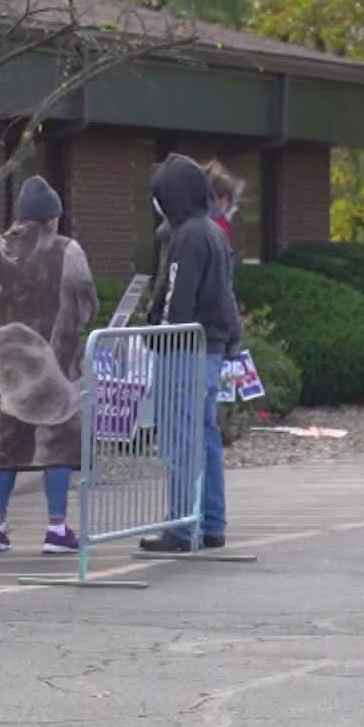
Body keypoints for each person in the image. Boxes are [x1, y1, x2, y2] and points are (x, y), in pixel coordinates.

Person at [0, 176, 97, 555]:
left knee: (7, 442)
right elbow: (85, 300)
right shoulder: (67, 250)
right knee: (58, 443)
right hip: (57, 361)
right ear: (52, 217)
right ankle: (57, 528)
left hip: (11, 361)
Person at [140, 154, 239, 552]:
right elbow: (226, 296)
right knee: (205, 436)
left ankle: (181, 526)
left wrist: (156, 334)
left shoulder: (187, 237)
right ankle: (211, 522)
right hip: (211, 349)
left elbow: (176, 302)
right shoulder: (213, 232)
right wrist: (231, 338)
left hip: (183, 351)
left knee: (180, 440)